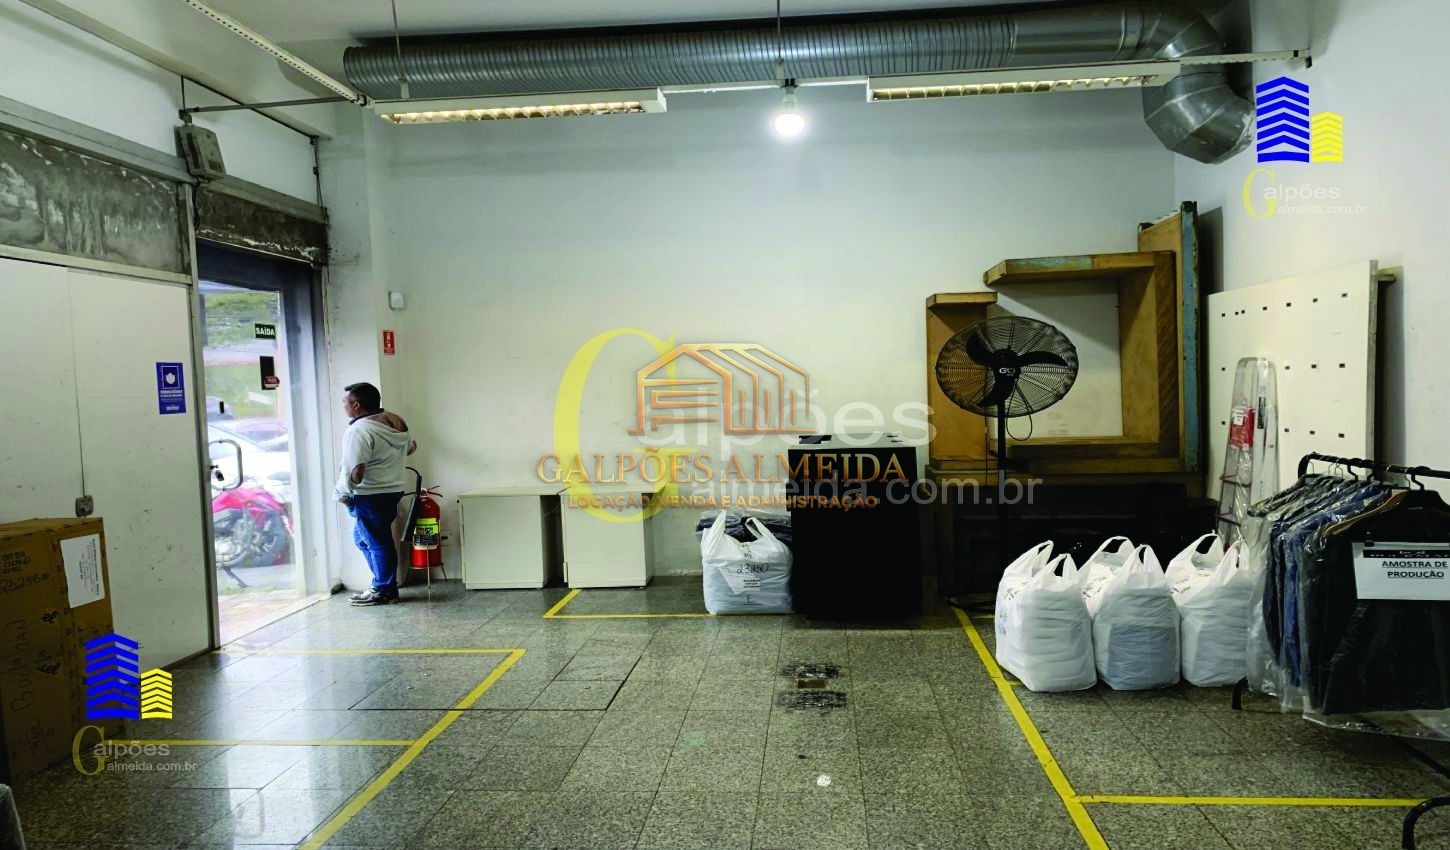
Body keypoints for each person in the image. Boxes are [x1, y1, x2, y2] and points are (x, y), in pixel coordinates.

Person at [335, 382, 416, 605]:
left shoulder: (358, 430)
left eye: (344, 401)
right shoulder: (396, 422)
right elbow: (411, 448)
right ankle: (382, 583)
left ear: (356, 405)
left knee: (378, 542)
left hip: (369, 494)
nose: (343, 405)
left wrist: (342, 494)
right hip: (392, 490)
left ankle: (384, 590)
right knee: (362, 539)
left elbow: (355, 471)